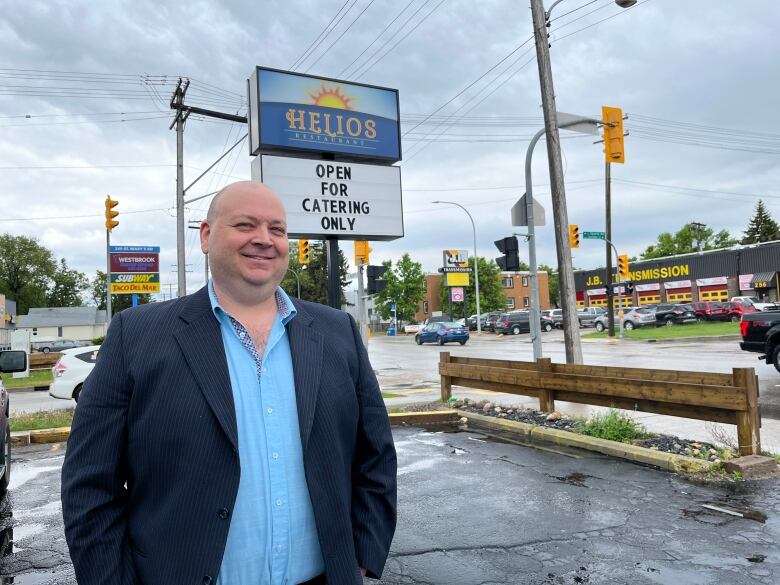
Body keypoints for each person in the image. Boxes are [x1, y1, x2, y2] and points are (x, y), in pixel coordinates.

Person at [62, 181, 397, 585]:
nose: (264, 240)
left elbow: (375, 455)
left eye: (277, 229)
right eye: (245, 225)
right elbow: (90, 484)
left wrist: (362, 553)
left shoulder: (337, 331)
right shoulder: (135, 336)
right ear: (206, 236)